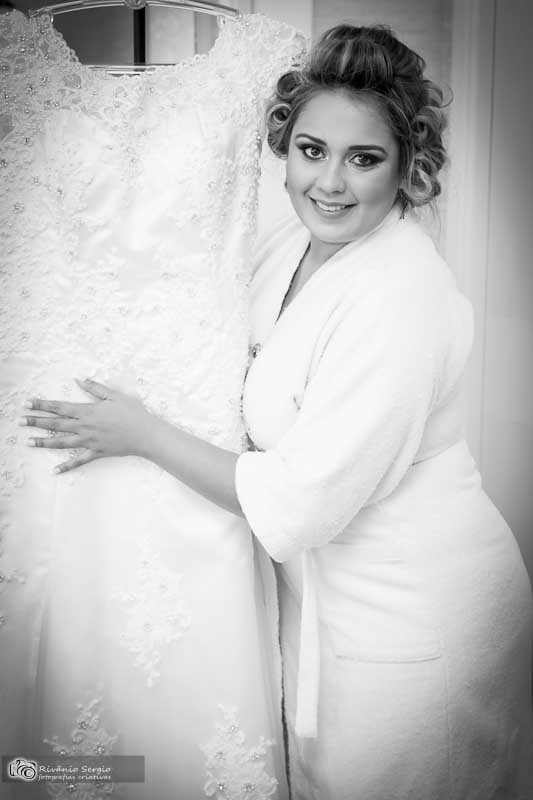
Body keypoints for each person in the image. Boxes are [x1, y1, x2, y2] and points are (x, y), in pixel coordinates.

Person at [21, 24, 533, 800]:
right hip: (332, 599)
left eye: (363, 159)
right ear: (283, 149)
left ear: (408, 167)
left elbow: (298, 507)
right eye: (311, 150)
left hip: (415, 615)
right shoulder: (291, 249)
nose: (329, 182)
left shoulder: (401, 295)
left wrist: (142, 434)